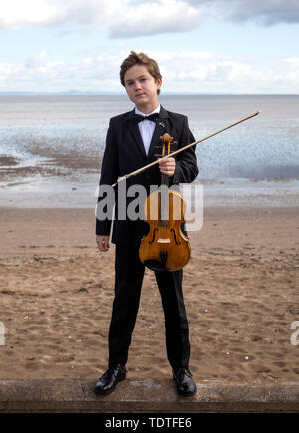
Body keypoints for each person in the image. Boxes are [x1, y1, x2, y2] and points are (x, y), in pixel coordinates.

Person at [94, 51, 198, 396]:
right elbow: (108, 177)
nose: (137, 87)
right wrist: (102, 226)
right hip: (126, 226)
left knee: (174, 304)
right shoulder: (116, 125)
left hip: (166, 228)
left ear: (158, 82)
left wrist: (175, 169)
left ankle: (181, 369)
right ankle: (116, 367)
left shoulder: (178, 123)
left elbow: (191, 166)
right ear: (125, 89)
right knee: (124, 301)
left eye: (142, 80)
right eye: (130, 83)